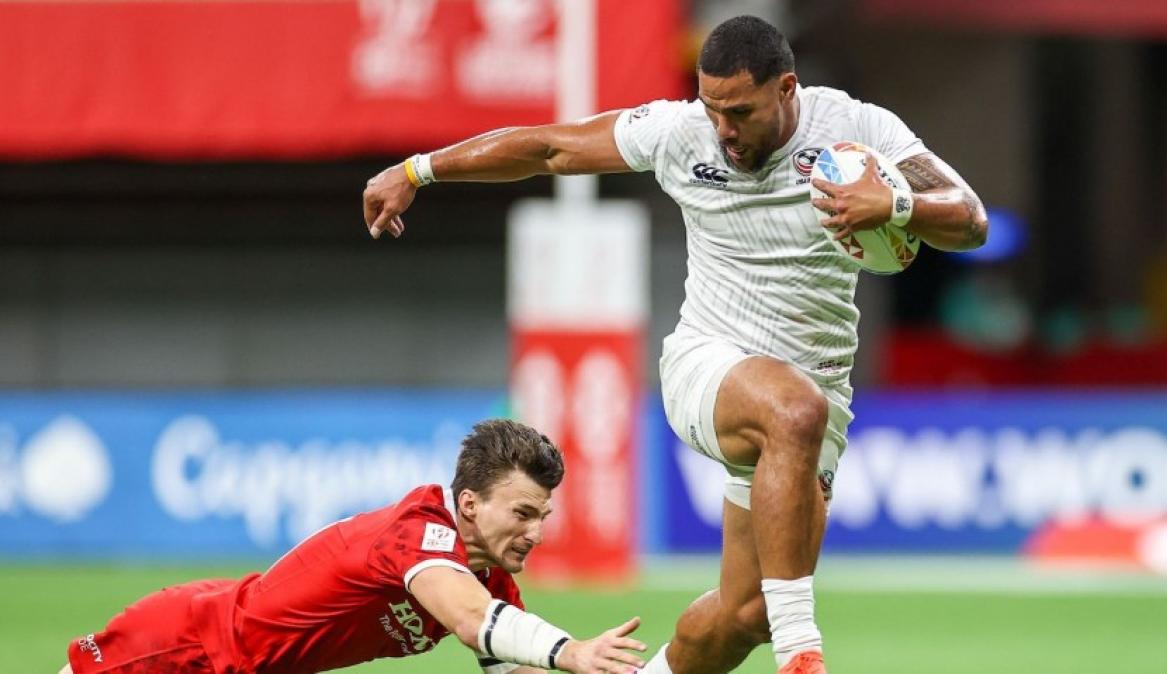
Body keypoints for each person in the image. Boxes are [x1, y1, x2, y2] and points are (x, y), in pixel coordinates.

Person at [361, 15, 987, 674]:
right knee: (792, 412)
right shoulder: (678, 133)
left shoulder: (857, 129)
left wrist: (897, 207)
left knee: (747, 615)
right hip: (707, 368)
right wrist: (420, 169)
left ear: (787, 89)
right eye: (712, 108)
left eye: (740, 111)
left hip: (815, 397)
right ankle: (804, 658)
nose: (722, 129)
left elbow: (968, 216)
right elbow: (551, 148)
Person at [60, 419, 646, 674]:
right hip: (188, 648)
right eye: (522, 513)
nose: (536, 534)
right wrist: (572, 652)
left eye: (542, 516)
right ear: (469, 504)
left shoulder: (491, 586)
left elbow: (498, 643)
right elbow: (470, 623)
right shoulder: (419, 532)